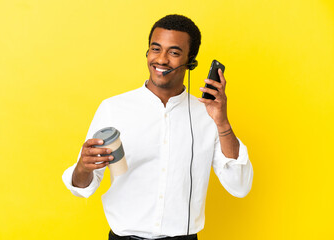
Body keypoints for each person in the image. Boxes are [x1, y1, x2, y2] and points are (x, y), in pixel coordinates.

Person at [62, 14, 253, 240]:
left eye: (173, 52)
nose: (161, 60)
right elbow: (84, 186)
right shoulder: (113, 108)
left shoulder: (208, 115)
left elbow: (239, 186)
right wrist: (83, 167)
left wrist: (222, 122)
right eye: (155, 49)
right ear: (147, 53)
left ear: (191, 61)